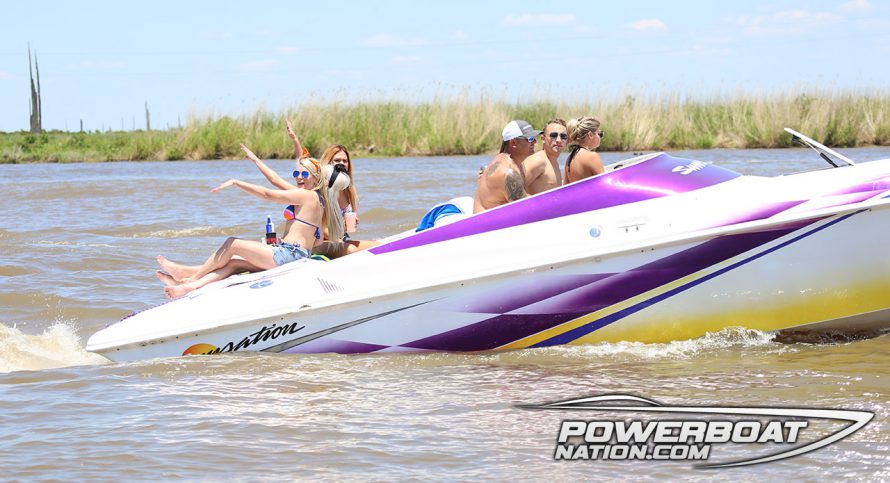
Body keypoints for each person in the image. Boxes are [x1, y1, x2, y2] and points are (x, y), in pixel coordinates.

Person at [156, 154, 344, 299]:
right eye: (296, 174)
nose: (299, 178)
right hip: (296, 255)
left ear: (316, 177)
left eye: (304, 174)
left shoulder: (306, 195)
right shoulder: (320, 201)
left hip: (288, 255)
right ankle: (189, 285)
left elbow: (268, 194)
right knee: (234, 262)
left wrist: (237, 182)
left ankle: (191, 278)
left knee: (232, 243)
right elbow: (317, 240)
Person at [473, 120, 541, 213]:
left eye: (534, 138)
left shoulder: (515, 164)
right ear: (513, 143)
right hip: (484, 221)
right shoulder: (509, 173)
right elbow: (525, 209)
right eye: (530, 138)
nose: (535, 142)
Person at [522, 118, 567, 195]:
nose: (559, 140)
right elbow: (512, 190)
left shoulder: (555, 163)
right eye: (553, 135)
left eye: (563, 136)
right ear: (543, 139)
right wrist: (536, 201)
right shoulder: (538, 160)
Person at [564, 117, 605, 184]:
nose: (600, 137)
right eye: (600, 134)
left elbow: (565, 186)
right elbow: (604, 184)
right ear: (590, 135)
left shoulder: (569, 159)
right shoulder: (592, 157)